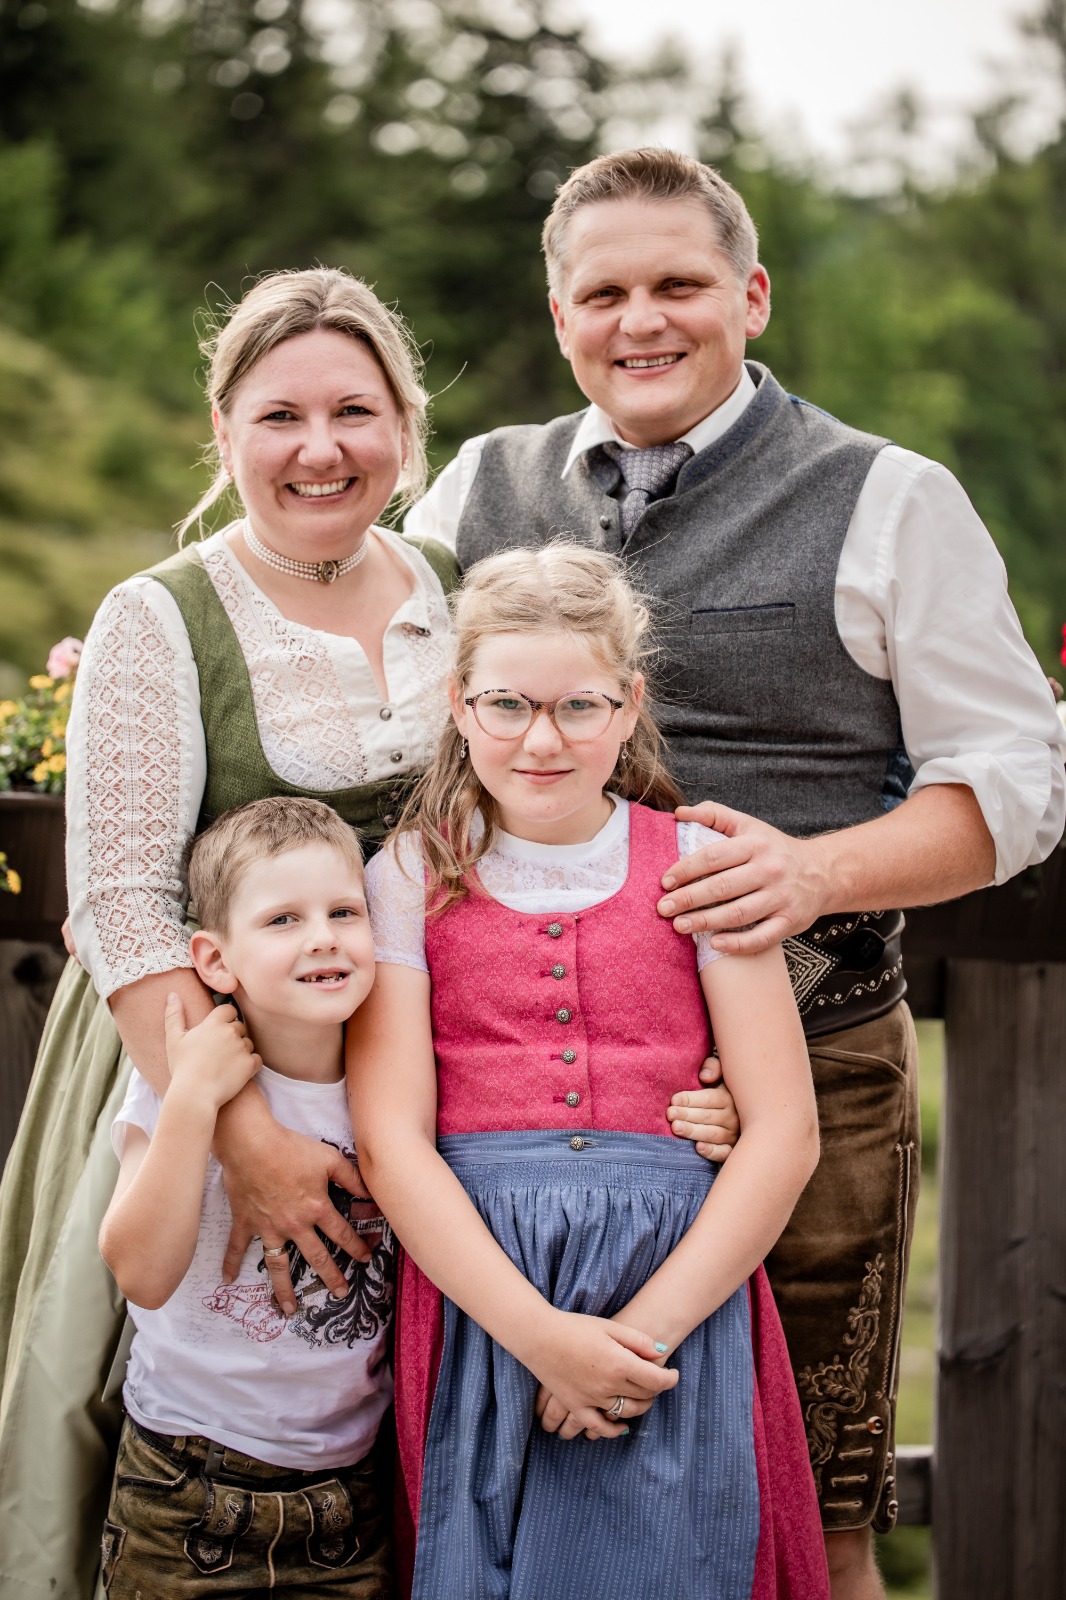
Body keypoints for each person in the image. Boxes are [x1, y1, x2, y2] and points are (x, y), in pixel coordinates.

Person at [403, 148, 1066, 1599]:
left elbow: (1018, 781)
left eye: (679, 284)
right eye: (603, 293)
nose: (641, 320)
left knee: (813, 1521)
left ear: (750, 296)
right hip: (510, 1110)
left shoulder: (890, 498)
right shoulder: (472, 488)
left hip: (803, 1076)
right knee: (499, 1500)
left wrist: (815, 873)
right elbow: (397, 742)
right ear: (560, 314)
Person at [0, 267, 460, 1599]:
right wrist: (246, 1139)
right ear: (223, 431)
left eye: (354, 412)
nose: (321, 449)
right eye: (279, 416)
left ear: (405, 426)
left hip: (418, 1065)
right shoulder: (163, 616)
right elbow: (124, 905)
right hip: (201, 1071)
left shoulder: (447, 581)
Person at [350, 544, 830, 1600]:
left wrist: (640, 1339)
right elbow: (391, 1139)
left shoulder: (698, 865)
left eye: (579, 706)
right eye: (507, 704)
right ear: (458, 703)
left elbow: (784, 1133)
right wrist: (539, 1339)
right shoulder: (408, 875)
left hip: (677, 1290)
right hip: (486, 1290)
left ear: (629, 706)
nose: (542, 738)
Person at [99, 796, 394, 1597]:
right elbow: (140, 1274)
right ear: (215, 960)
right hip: (184, 1483)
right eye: (283, 920)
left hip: (351, 1496)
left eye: (344, 912)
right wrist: (194, 1101)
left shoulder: (395, 1085)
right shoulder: (183, 1076)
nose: (323, 937)